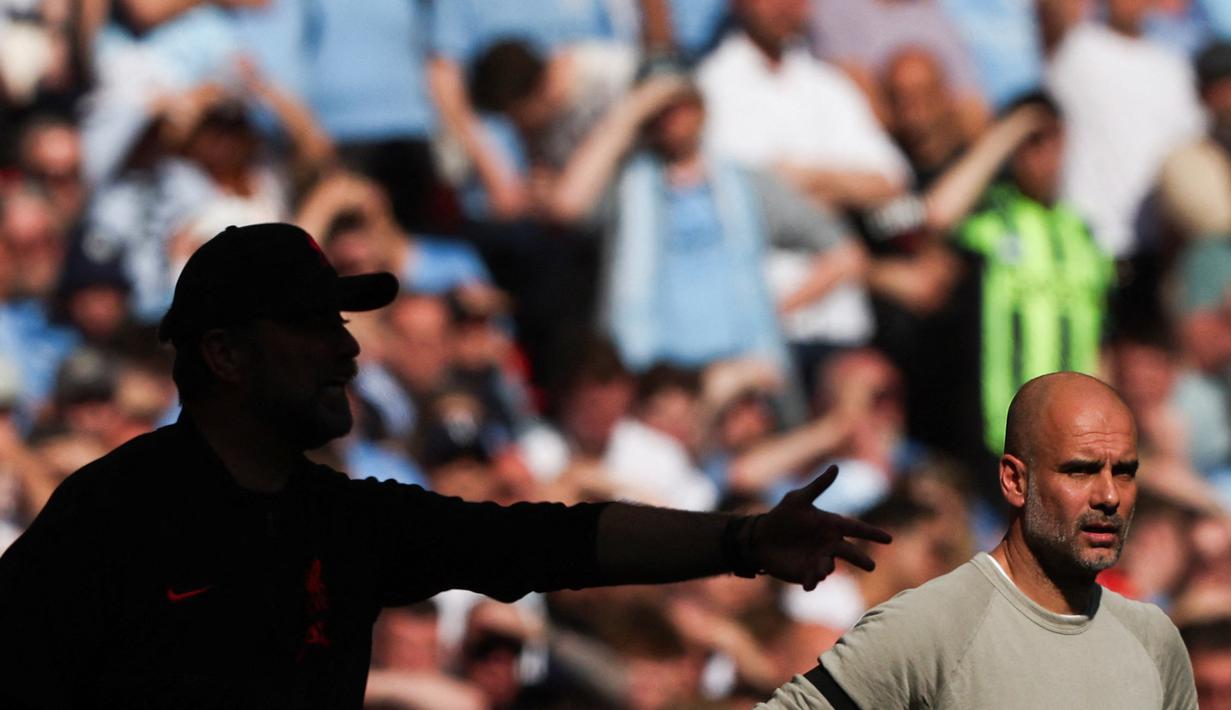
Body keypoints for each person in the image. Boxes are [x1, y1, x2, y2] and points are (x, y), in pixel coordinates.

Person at [0, 222, 890, 708]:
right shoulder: (113, 515)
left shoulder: (340, 517)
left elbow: (557, 543)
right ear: (225, 355)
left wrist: (741, 538)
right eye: (312, 326)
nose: (346, 349)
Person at [758, 371, 1197, 709]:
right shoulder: (928, 624)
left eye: (1124, 472)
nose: (1108, 496)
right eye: (1079, 470)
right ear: (1014, 480)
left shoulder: (1154, 638)